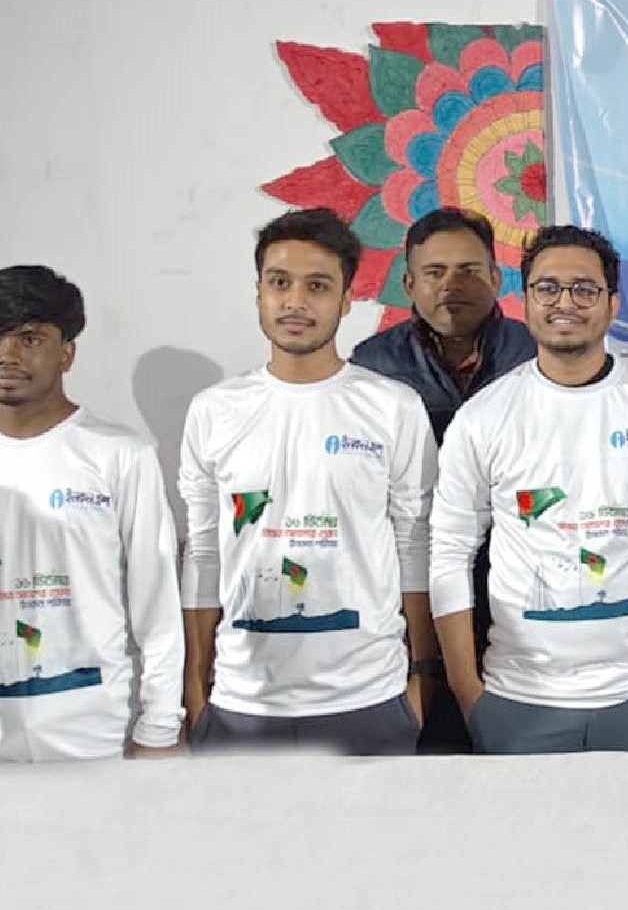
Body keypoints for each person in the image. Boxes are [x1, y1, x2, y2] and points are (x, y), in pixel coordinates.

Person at [428, 226, 628, 754]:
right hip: (519, 701)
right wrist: (467, 690)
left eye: (584, 289)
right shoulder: (483, 418)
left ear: (612, 304)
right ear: (526, 300)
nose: (565, 302)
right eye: (548, 287)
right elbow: (447, 552)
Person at [177, 208, 438, 755]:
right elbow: (203, 553)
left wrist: (420, 680)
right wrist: (196, 687)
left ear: (345, 300)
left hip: (369, 698)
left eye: (317, 286)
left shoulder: (392, 407)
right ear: (258, 292)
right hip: (242, 704)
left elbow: (414, 545)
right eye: (279, 283)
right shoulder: (214, 411)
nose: (295, 302)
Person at [0, 266, 183, 762]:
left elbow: (157, 609)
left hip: (100, 742)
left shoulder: (119, 455)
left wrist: (159, 727)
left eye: (29, 339)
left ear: (67, 352)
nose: (6, 355)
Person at [350, 207, 535, 753]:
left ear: (496, 278)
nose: (452, 285)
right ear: (409, 284)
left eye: (469, 270)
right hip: (409, 587)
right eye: (434, 272)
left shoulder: (533, 353)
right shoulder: (373, 366)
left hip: (518, 581)